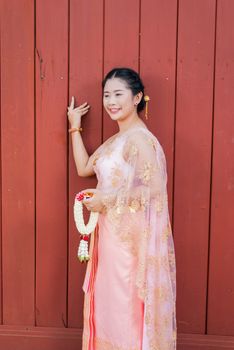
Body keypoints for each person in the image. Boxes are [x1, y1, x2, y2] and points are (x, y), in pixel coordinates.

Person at [67, 67, 177, 350]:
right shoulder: (116, 140)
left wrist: (107, 199)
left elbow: (154, 189)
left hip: (128, 243)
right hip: (108, 239)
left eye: (118, 94)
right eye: (106, 95)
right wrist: (74, 125)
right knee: (109, 308)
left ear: (137, 97)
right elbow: (84, 167)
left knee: (124, 309)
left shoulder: (139, 139)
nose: (111, 102)